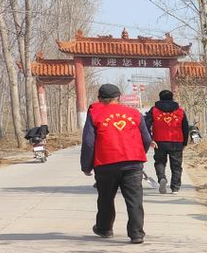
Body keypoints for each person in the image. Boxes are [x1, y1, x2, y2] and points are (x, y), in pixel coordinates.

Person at [80, 83, 154, 244]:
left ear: (100, 99)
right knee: (134, 200)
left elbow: (88, 142)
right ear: (119, 97)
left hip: (106, 163)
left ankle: (105, 229)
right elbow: (147, 139)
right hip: (133, 163)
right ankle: (136, 234)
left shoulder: (95, 114)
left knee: (105, 198)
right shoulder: (134, 113)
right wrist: (139, 154)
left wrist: (86, 165)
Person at [144, 89, 191, 194]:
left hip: (159, 141)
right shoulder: (180, 111)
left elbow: (146, 125)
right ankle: (175, 188)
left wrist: (150, 139)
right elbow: (185, 128)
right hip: (176, 141)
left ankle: (161, 179)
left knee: (160, 162)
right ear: (172, 98)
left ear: (160, 98)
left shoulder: (154, 110)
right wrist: (184, 143)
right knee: (176, 165)